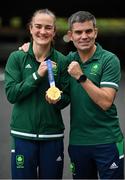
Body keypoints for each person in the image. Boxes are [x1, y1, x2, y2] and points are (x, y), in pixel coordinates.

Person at [18, 11, 124, 179]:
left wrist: (81, 77)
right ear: (70, 35)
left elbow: (106, 102)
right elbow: (61, 95)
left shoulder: (109, 60)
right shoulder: (67, 61)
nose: (84, 36)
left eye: (88, 31)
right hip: (78, 143)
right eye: (78, 32)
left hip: (107, 141)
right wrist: (28, 48)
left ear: (95, 32)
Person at [4, 9, 69, 179]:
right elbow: (11, 94)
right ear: (30, 29)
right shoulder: (17, 58)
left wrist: (58, 98)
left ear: (54, 31)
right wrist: (36, 76)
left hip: (52, 135)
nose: (43, 31)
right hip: (23, 135)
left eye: (48, 28)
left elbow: (67, 98)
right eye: (38, 26)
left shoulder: (62, 61)